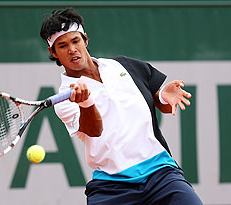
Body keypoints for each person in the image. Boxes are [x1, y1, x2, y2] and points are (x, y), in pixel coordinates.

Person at [40, 8, 203, 205]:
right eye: (63, 45)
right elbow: (94, 130)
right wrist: (86, 102)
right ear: (53, 52)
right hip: (112, 187)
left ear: (85, 40)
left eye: (75, 41)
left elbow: (163, 105)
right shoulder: (65, 98)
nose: (72, 49)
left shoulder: (123, 66)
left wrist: (164, 97)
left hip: (161, 173)